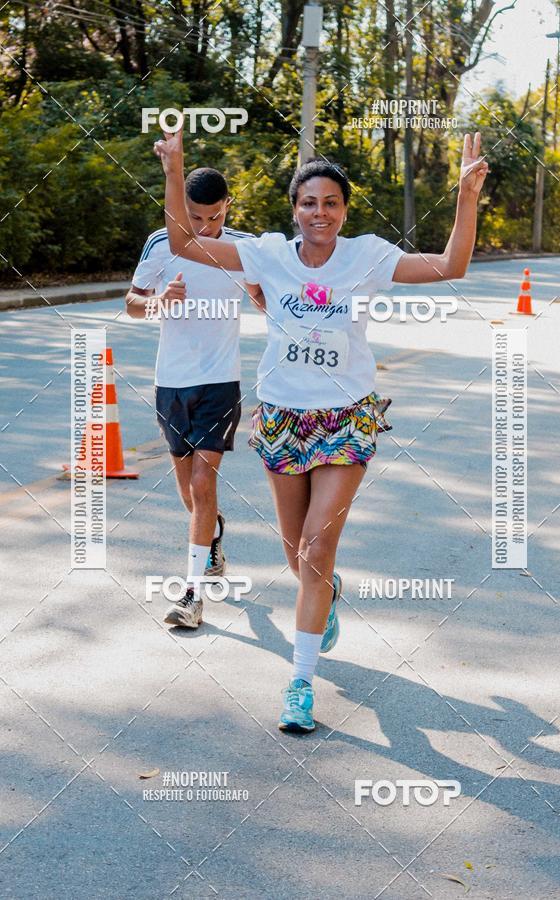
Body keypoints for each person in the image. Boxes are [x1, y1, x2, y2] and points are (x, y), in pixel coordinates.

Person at [154, 128, 488, 729]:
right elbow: (182, 242)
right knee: (296, 555)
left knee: (315, 550)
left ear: (344, 210)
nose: (320, 212)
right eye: (309, 202)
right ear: (295, 210)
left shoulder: (365, 256)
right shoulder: (270, 254)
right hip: (283, 418)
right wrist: (174, 168)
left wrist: (465, 197)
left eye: (331, 202)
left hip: (346, 420)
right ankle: (324, 602)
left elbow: (450, 264)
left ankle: (299, 684)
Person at [126, 166, 263, 629]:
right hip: (171, 382)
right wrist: (160, 301)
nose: (203, 228)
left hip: (220, 382)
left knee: (203, 485)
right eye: (194, 217)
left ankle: (192, 595)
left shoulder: (242, 248)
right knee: (190, 493)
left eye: (211, 216)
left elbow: (267, 298)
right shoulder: (160, 242)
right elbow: (132, 302)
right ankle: (215, 537)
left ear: (227, 205)